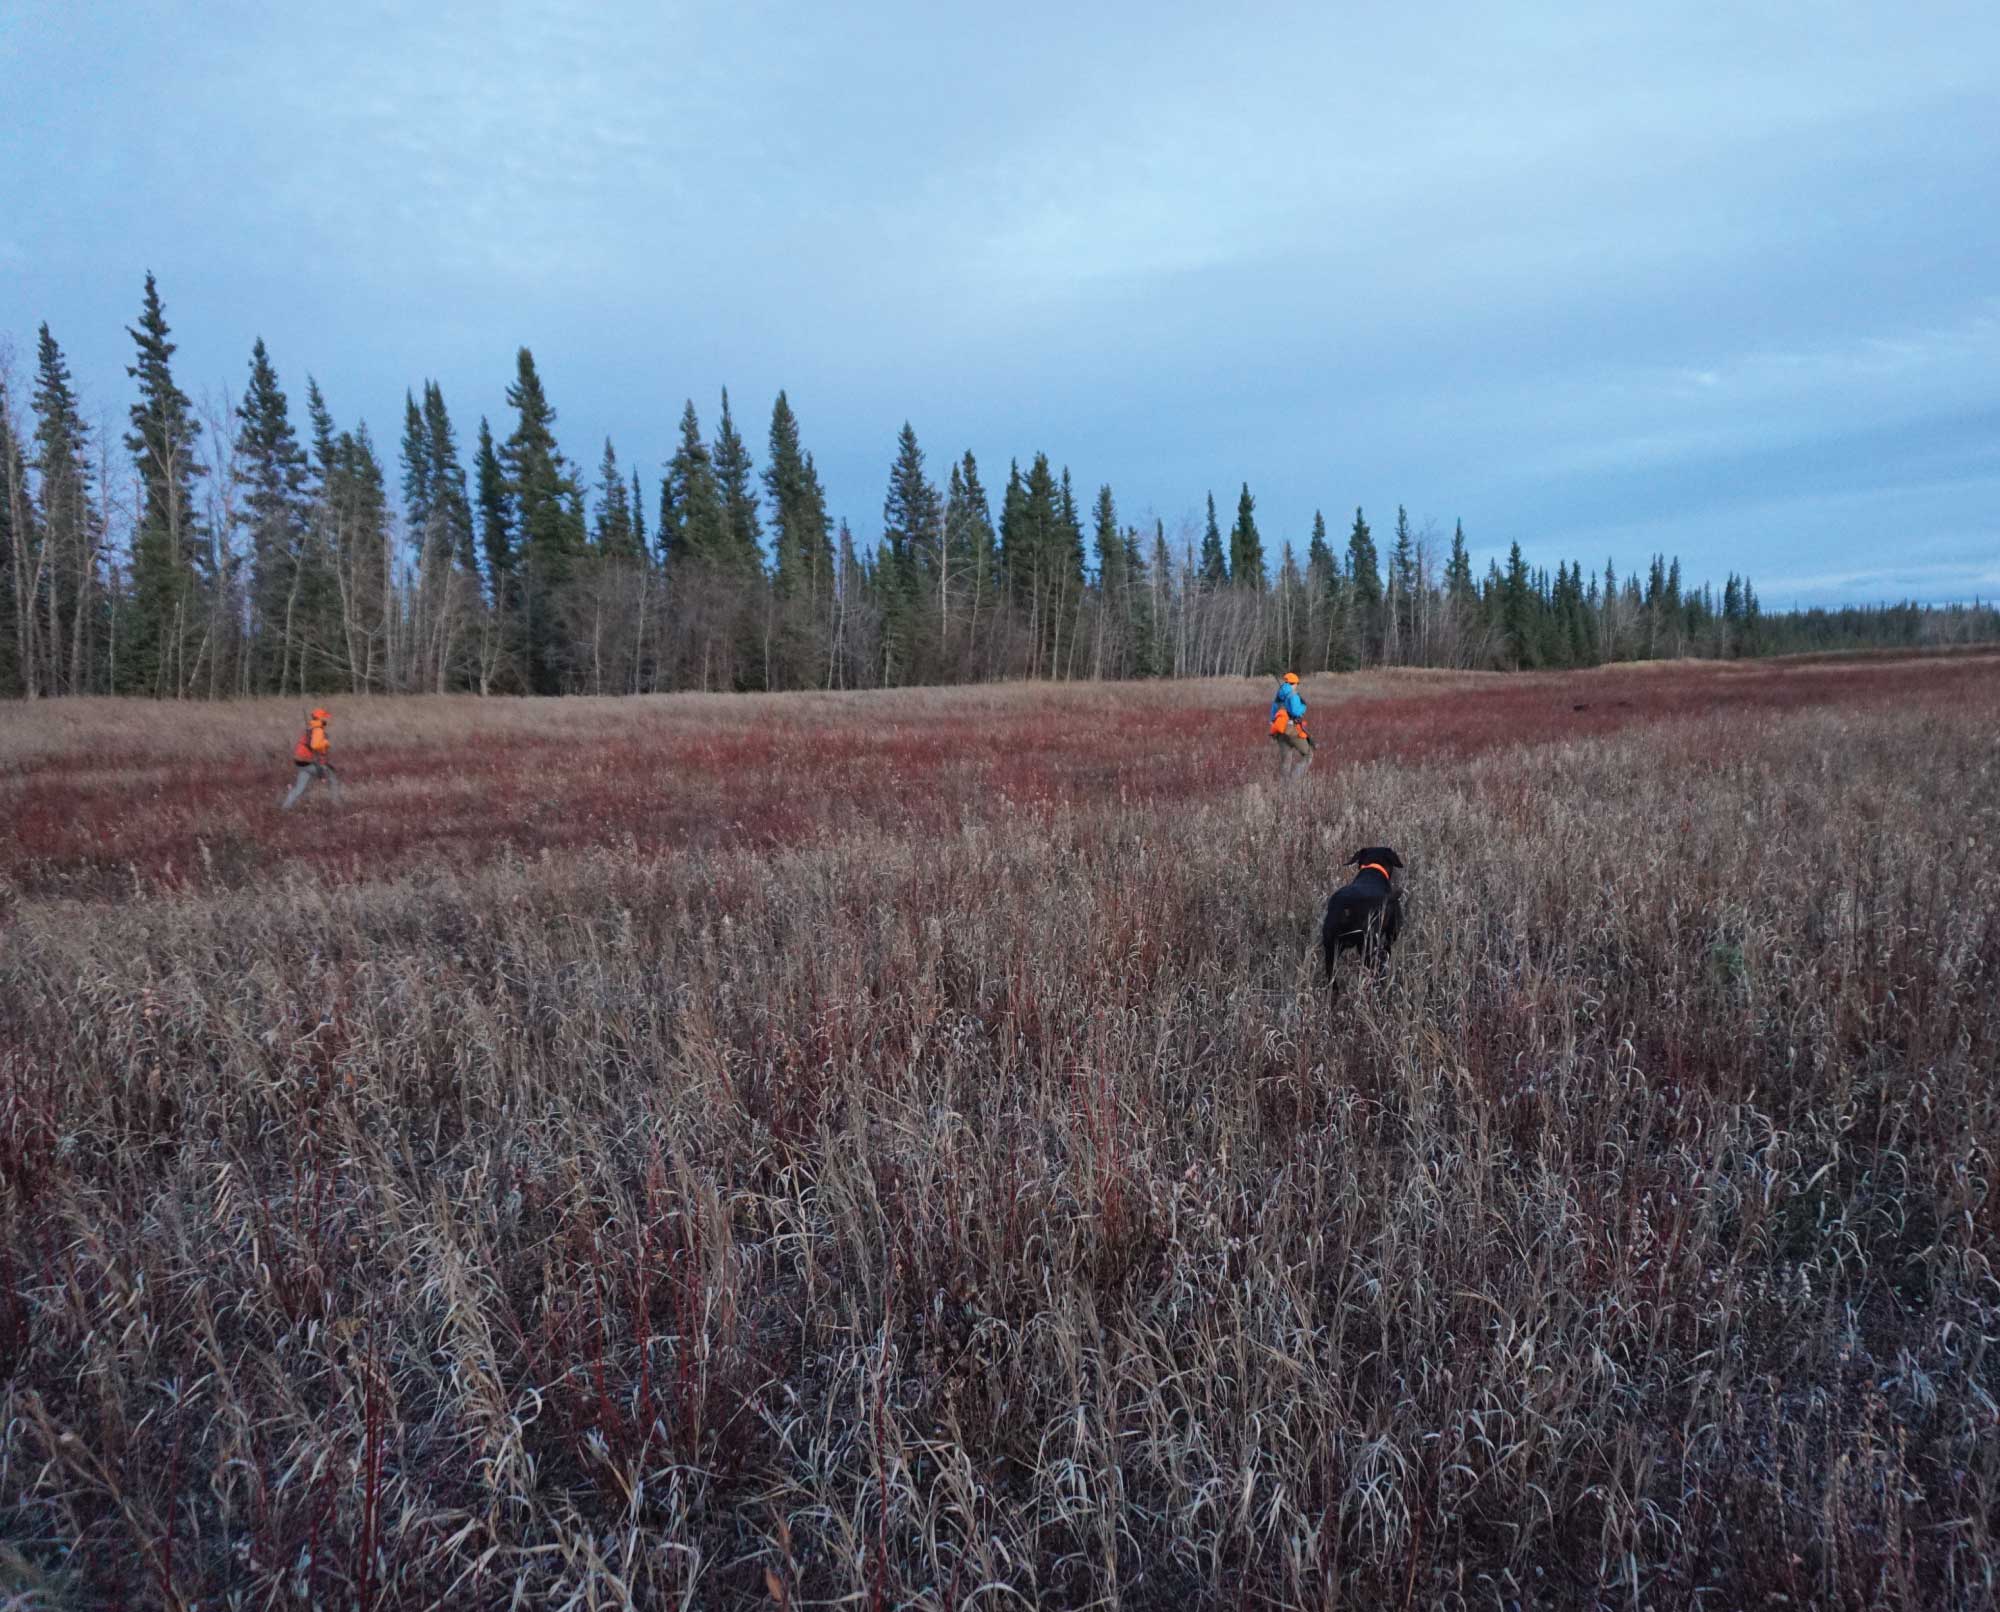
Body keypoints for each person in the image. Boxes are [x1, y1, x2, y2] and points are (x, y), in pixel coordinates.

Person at [282, 707, 343, 809]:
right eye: (325, 717)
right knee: (332, 778)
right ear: (320, 718)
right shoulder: (318, 730)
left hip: (301, 762)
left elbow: (314, 749)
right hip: (308, 762)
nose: (327, 720)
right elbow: (315, 746)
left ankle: (284, 808)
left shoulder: (311, 729)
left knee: (299, 789)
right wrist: (326, 743)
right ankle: (338, 805)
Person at [1268, 672, 1313, 776]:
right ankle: (1294, 779)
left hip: (1279, 732)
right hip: (1292, 730)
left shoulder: (1278, 696)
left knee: (1286, 760)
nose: (1297, 686)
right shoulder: (1293, 695)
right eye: (1297, 684)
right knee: (1308, 755)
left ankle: (1284, 785)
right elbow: (1296, 712)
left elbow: (1272, 716)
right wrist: (1304, 706)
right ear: (1293, 683)